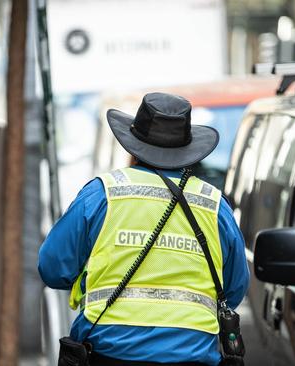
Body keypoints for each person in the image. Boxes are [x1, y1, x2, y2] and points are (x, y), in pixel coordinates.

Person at [38, 93, 249, 365]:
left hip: (109, 355)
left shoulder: (103, 195)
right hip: (193, 357)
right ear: (188, 153)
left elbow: (53, 269)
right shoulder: (214, 205)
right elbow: (233, 290)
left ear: (132, 148)